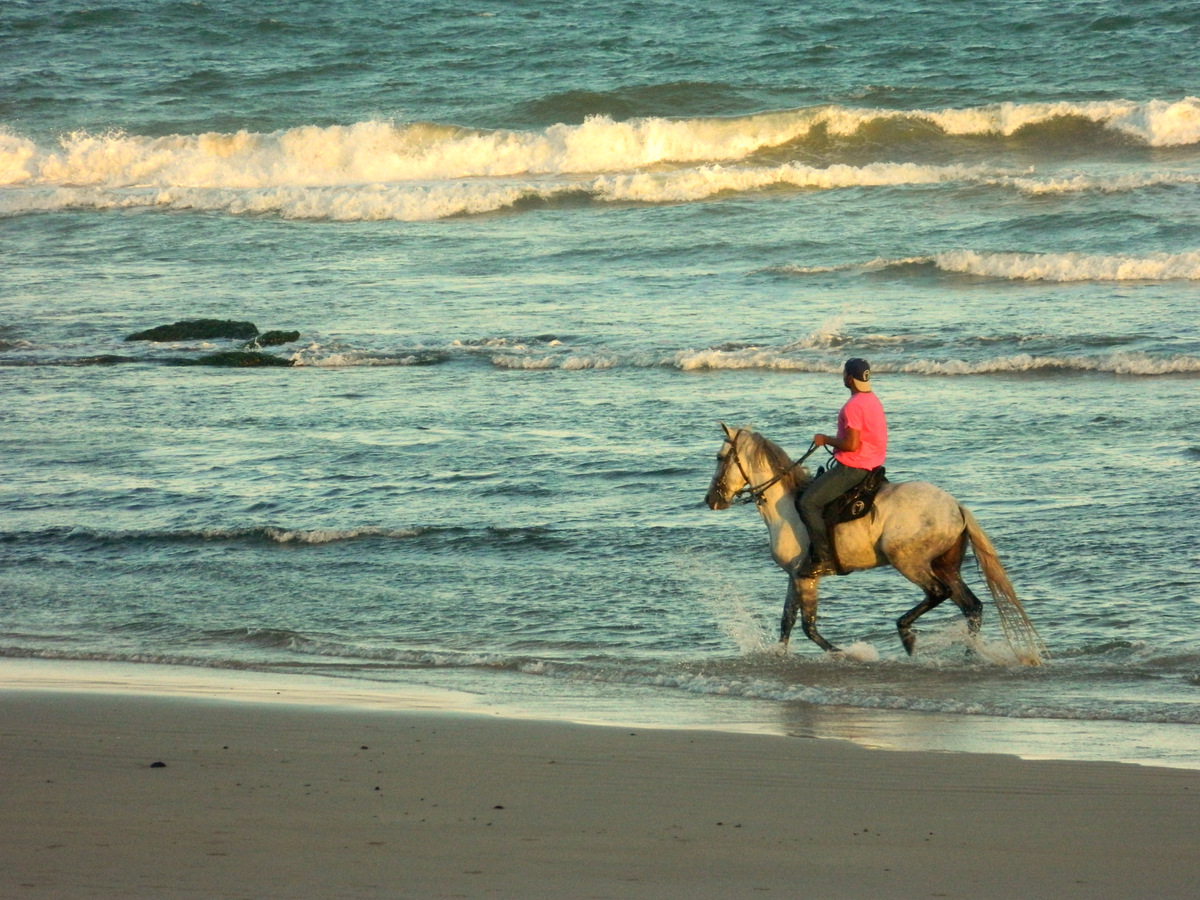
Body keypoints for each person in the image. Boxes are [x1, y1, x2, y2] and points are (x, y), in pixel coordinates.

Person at [797, 358, 887, 578]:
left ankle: (822, 557)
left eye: (844, 373)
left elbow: (851, 445)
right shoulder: (872, 399)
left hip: (854, 467)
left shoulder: (853, 406)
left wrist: (824, 439)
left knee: (808, 502)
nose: (843, 377)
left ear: (849, 377)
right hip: (874, 462)